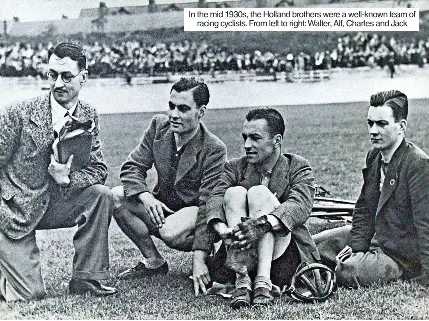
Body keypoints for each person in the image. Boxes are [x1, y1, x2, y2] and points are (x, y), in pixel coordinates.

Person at [0, 42, 117, 301]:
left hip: (55, 203)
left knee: (101, 195)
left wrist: (68, 179)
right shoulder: (18, 113)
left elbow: (99, 170)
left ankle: (87, 278)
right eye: (52, 75)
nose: (58, 83)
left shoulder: (88, 114)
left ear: (83, 77)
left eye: (66, 76)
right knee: (31, 295)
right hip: (14, 210)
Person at [111, 77, 227, 296]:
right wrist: (146, 196)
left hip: (192, 217)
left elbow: (208, 205)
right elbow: (131, 167)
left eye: (183, 109)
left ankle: (213, 257)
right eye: (171, 106)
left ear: (201, 112)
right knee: (115, 196)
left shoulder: (214, 148)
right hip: (160, 207)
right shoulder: (158, 126)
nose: (174, 114)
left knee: (169, 231)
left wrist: (199, 259)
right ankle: (154, 262)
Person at [205, 107, 321, 308]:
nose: (247, 145)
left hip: (283, 260)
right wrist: (222, 229)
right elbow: (215, 198)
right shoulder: (234, 167)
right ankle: (242, 280)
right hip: (240, 252)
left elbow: (299, 205)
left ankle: (263, 282)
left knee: (258, 194)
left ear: (277, 141)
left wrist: (261, 224)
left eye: (255, 138)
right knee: (233, 193)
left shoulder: (298, 167)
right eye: (245, 138)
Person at [314, 90, 429, 287]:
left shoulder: (418, 164)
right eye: (370, 123)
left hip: (400, 255)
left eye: (382, 124)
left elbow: (425, 224)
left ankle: (330, 270)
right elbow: (364, 208)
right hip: (376, 237)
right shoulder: (374, 156)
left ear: (401, 126)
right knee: (314, 244)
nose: (373, 131)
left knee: (348, 270)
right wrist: (357, 245)